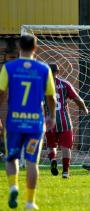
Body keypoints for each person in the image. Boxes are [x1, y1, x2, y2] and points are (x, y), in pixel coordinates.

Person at [0, 34, 56, 210]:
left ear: (18, 47)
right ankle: (30, 202)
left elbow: (1, 94)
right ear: (35, 48)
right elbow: (51, 97)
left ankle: (13, 187)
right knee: (32, 162)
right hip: (35, 124)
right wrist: (52, 116)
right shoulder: (44, 69)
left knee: (11, 158)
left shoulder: (8, 68)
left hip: (14, 122)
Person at [45, 63, 88, 178]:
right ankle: (65, 172)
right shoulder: (65, 84)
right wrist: (85, 109)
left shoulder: (42, 85)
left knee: (51, 145)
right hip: (64, 121)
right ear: (58, 72)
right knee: (66, 147)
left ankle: (53, 159)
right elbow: (78, 99)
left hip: (50, 121)